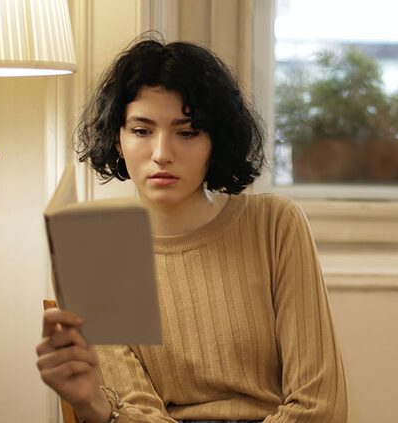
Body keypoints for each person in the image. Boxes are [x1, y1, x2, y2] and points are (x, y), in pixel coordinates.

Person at [35, 38, 347, 423]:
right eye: (141, 130)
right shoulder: (97, 251)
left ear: (216, 141)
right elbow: (134, 411)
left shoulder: (276, 225)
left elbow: (319, 405)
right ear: (118, 138)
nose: (162, 152)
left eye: (187, 132)